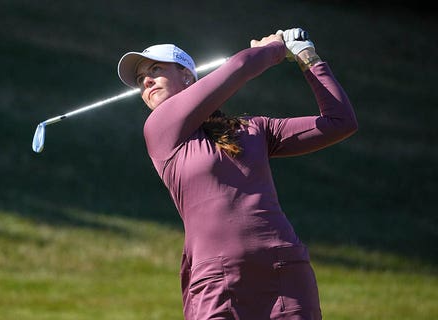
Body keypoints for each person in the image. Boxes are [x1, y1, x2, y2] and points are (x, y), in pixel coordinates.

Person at [116, 28, 357, 320]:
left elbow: (340, 122)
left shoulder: (253, 129)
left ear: (188, 77)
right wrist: (275, 49)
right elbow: (240, 67)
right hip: (218, 278)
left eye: (155, 69)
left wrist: (308, 56)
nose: (147, 81)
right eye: (141, 80)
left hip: (283, 267)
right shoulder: (159, 128)